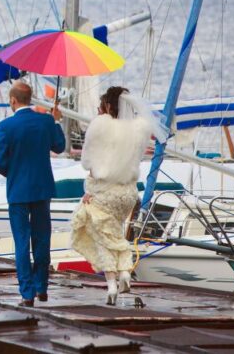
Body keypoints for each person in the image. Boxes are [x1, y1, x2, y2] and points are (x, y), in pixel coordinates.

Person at [70, 86, 153, 305]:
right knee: (115, 234)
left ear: (107, 105)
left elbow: (88, 163)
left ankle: (111, 285)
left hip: (105, 191)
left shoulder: (101, 126)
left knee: (101, 237)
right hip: (128, 194)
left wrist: (91, 188)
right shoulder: (139, 128)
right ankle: (125, 271)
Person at [0, 81, 66, 306]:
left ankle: (27, 292)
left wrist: (12, 173)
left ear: (13, 100)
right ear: (30, 98)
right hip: (42, 189)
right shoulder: (45, 121)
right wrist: (56, 120)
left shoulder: (6, 126)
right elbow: (59, 147)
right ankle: (42, 287)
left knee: (21, 242)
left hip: (18, 191)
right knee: (42, 240)